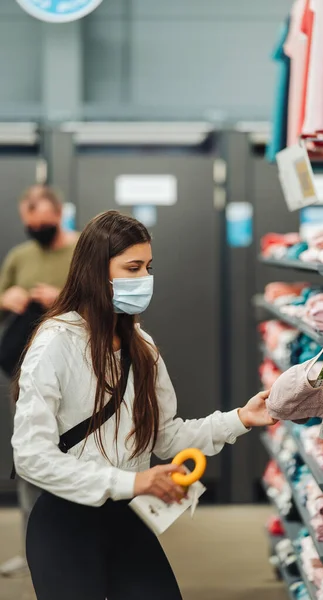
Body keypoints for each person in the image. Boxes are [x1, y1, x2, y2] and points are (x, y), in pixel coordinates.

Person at [11, 210, 276, 600]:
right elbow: (31, 456)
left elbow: (167, 437)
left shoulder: (142, 346)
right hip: (66, 522)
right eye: (132, 268)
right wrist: (131, 481)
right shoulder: (56, 342)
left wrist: (240, 419)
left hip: (126, 517)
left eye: (148, 267)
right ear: (96, 272)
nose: (144, 279)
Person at [0, 184, 79, 577]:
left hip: (78, 372)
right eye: (32, 225)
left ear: (59, 214)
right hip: (25, 374)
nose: (39, 230)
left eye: (45, 223)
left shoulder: (84, 250)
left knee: (80, 456)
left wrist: (62, 297)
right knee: (31, 457)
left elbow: (112, 303)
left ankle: (78, 547)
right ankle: (35, 551)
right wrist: (6, 298)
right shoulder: (19, 257)